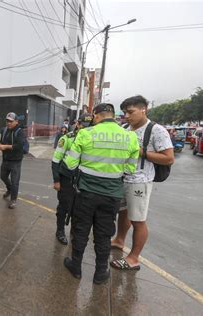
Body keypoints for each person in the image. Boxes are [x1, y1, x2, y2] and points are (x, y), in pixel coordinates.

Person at [62, 103, 140, 284]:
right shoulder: (130, 137)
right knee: (104, 234)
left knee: (81, 230)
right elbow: (130, 170)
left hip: (86, 193)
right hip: (112, 195)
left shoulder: (85, 134)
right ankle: (100, 272)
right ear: (112, 115)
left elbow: (70, 164)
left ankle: (76, 267)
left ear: (96, 116)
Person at [110, 95, 174, 271]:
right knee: (123, 213)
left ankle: (133, 259)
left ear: (143, 109)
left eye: (130, 112)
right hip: (121, 178)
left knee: (138, 220)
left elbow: (169, 158)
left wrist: (141, 152)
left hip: (140, 181)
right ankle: (119, 240)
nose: (127, 116)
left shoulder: (156, 130)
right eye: (124, 113)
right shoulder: (124, 128)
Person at [51, 114, 93, 245]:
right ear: (78, 124)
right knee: (63, 206)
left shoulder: (92, 140)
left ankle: (74, 232)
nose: (85, 129)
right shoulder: (66, 138)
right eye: (82, 126)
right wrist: (56, 180)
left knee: (78, 209)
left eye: (88, 126)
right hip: (66, 178)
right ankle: (60, 231)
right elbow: (56, 160)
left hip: (83, 180)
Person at [0, 112, 25, 209]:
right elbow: (1, 141)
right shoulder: (4, 130)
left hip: (16, 161)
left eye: (11, 121)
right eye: (7, 121)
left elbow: (20, 146)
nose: (8, 123)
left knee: (15, 181)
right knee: (2, 176)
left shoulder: (20, 132)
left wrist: (5, 147)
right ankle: (9, 189)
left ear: (16, 121)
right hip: (5, 159)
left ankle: (13, 199)